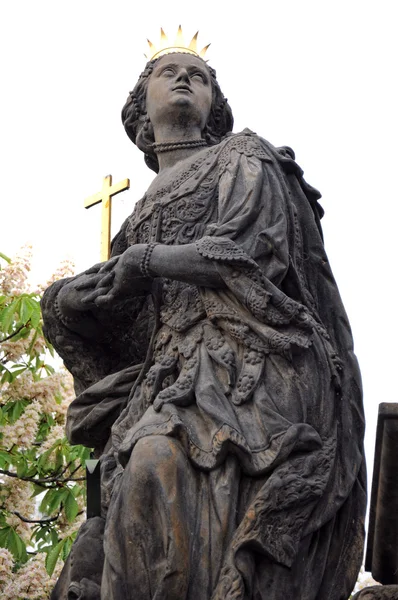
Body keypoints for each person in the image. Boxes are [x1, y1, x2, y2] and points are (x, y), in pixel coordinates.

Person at [42, 45, 366, 600]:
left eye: (199, 77)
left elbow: (248, 253)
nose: (186, 79)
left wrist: (143, 263)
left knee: (151, 461)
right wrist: (67, 302)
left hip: (252, 361)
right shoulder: (140, 211)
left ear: (215, 105)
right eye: (169, 73)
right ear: (141, 108)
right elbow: (130, 327)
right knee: (106, 521)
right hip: (170, 377)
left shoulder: (243, 156)